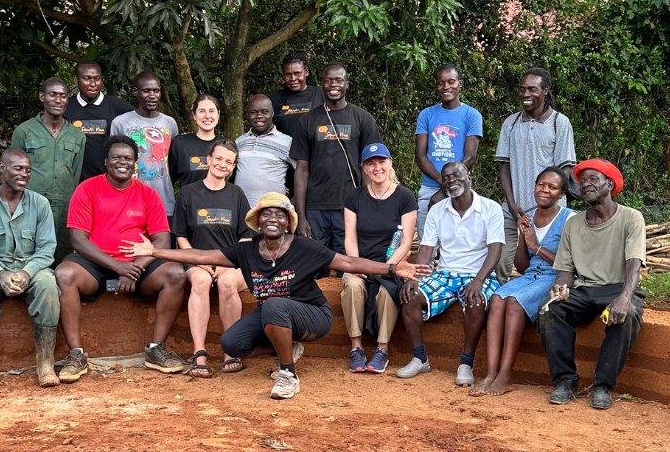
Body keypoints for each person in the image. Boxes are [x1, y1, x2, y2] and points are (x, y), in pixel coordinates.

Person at [121, 192, 429, 400]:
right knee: (231, 343)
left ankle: (288, 374)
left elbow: (347, 262)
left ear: (287, 222)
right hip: (277, 314)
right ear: (257, 221)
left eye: (279, 215)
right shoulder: (246, 250)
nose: (272, 218)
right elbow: (203, 254)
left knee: (275, 306)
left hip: (312, 316)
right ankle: (285, 348)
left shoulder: (303, 248)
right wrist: (154, 250)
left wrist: (392, 269)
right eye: (266, 214)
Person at [54, 135, 188, 382]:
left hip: (139, 263)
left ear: (135, 163)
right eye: (116, 157)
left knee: (176, 273)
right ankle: (76, 354)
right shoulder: (87, 188)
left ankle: (156, 349)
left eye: (128, 158)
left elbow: (161, 241)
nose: (122, 162)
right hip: (95, 262)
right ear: (105, 161)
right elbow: (78, 240)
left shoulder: (148, 194)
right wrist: (119, 267)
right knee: (64, 274)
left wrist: (134, 267)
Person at [539, 158, 646, 410]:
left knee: (627, 313)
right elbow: (565, 270)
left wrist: (624, 297)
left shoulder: (631, 218)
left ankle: (603, 386)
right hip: (584, 290)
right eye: (582, 180)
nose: (585, 184)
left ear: (610, 184)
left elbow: (634, 263)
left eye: (593, 179)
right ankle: (565, 380)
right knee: (549, 309)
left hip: (618, 287)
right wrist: (559, 288)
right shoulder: (573, 223)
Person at [396, 161, 504, 386]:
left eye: (457, 174)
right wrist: (414, 277)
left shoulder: (491, 208)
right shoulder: (437, 210)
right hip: (445, 274)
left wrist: (478, 280)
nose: (451, 180)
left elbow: (495, 250)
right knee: (410, 296)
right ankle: (419, 358)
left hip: (479, 273)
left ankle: (466, 363)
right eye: (446, 177)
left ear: (469, 176)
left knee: (476, 300)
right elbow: (426, 249)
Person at [471, 167, 574, 396]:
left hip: (553, 277)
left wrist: (535, 245)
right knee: (497, 298)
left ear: (561, 194)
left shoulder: (569, 219)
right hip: (530, 276)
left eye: (552, 187)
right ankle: (490, 372)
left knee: (515, 302)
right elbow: (523, 266)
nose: (545, 190)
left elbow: (570, 263)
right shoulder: (528, 215)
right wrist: (522, 237)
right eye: (541, 185)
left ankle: (505, 374)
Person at [0, 148, 60, 393]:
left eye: (28, 170)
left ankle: (45, 365)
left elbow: (47, 248)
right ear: (2, 168)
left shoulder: (40, 204)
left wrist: (27, 273)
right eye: (18, 168)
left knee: (49, 285)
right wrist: (1, 274)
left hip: (32, 268)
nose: (24, 174)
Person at [172, 139, 252, 377]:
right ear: (208, 159)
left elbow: (246, 238)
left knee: (228, 283)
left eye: (229, 162)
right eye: (218, 159)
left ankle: (231, 350)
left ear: (233, 167)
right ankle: (199, 352)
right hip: (196, 260)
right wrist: (198, 261)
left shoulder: (237, 194)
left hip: (231, 261)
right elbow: (180, 236)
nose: (222, 164)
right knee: (200, 281)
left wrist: (226, 260)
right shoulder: (188, 193)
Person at [494, 67, 576, 284]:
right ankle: (495, 306)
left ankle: (543, 309)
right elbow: (504, 167)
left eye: (532, 89)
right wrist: (512, 206)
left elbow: (564, 170)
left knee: (547, 267)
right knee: (500, 262)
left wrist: (543, 207)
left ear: (546, 90)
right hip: (514, 211)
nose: (525, 94)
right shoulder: (510, 123)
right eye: (522, 89)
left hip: (548, 215)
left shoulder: (559, 123)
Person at [342, 143, 418, 374]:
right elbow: (350, 237)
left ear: (390, 163)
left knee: (387, 292)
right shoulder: (354, 196)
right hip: (361, 264)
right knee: (352, 284)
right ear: (364, 168)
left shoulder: (405, 197)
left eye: (381, 162)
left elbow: (406, 241)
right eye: (371, 163)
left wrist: (389, 268)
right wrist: (354, 264)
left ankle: (381, 350)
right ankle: (356, 348)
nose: (377, 168)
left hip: (391, 265)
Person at [291, 62, 382, 254]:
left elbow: (373, 167)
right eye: (328, 81)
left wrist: (371, 207)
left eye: (339, 80)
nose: (334, 85)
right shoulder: (307, 121)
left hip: (349, 205)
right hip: (314, 208)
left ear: (347, 84)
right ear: (321, 84)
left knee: (347, 267)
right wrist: (301, 216)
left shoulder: (363, 119)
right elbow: (301, 170)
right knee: (314, 266)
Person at [11, 76, 86, 264]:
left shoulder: (77, 135)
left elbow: (75, 173)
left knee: (62, 253)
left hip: (65, 206)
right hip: (31, 203)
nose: (58, 100)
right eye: (53, 95)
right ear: (42, 97)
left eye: (63, 96)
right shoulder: (24, 131)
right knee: (29, 252)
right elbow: (13, 171)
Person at [414, 64, 483, 235]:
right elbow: (420, 156)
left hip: (461, 188)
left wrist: (451, 185)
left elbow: (470, 156)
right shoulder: (426, 114)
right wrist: (443, 182)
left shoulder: (472, 115)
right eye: (441, 83)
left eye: (451, 82)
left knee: (460, 244)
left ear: (460, 83)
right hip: (430, 187)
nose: (446, 87)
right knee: (427, 244)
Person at [109, 72, 179, 219]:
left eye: (156, 91)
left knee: (163, 242)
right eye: (146, 91)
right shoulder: (121, 123)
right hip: (129, 202)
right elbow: (113, 164)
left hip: (164, 202)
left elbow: (172, 161)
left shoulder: (170, 123)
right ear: (136, 92)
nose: (152, 95)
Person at [66, 60, 133, 181]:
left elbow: (141, 124)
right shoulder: (66, 107)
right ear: (76, 80)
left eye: (97, 78)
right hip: (73, 182)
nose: (93, 84)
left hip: (108, 181)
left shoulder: (118, 107)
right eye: (87, 78)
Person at [235, 94, 294, 208]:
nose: (259, 116)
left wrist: (293, 196)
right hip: (242, 211)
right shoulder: (239, 142)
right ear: (247, 115)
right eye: (254, 112)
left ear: (272, 113)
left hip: (273, 213)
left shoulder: (287, 142)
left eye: (264, 111)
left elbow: (302, 172)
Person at [168, 94, 222, 189]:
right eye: (201, 111)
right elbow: (168, 181)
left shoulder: (225, 145)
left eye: (211, 111)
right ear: (194, 115)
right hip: (188, 203)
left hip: (221, 203)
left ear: (218, 114)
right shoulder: (180, 143)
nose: (207, 116)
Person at [268, 53, 324, 139]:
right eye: (288, 74)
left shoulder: (321, 94)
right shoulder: (275, 99)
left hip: (317, 150)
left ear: (306, 72)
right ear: (283, 75)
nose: (293, 79)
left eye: (297, 73)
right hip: (286, 150)